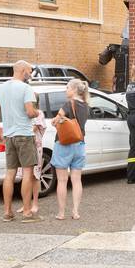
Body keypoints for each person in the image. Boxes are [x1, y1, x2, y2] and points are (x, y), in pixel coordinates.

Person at [0, 60, 42, 222]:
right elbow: (29, 112)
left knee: (10, 173)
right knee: (27, 173)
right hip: (24, 135)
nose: (31, 73)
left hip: (9, 135)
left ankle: (7, 212)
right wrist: (37, 112)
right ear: (22, 70)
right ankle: (27, 212)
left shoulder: (2, 88)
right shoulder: (26, 88)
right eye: (29, 70)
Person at [52, 79, 91, 220]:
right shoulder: (86, 105)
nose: (65, 90)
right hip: (80, 144)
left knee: (62, 180)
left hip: (64, 144)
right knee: (77, 180)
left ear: (74, 90)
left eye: (67, 87)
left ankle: (61, 213)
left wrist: (55, 122)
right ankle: (75, 211)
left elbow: (56, 121)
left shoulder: (69, 104)